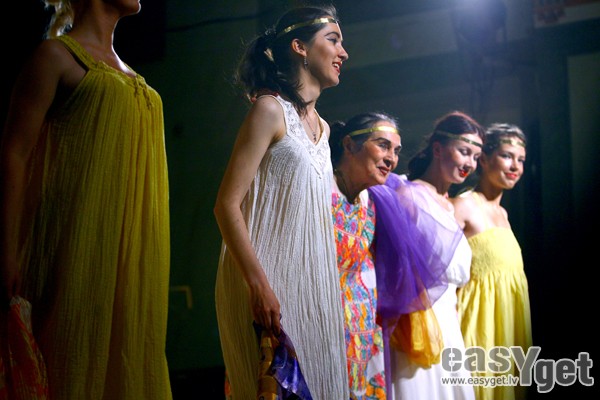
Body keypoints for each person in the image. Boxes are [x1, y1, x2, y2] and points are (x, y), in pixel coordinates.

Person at [0, 1, 171, 399]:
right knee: (67, 363)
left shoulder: (137, 81)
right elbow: (14, 154)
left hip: (130, 261)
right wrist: (6, 252)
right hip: (73, 250)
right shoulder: (57, 57)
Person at [213, 5, 350, 400]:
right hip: (266, 285)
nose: (343, 53)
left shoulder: (324, 130)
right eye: (333, 40)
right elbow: (226, 204)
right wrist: (258, 286)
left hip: (312, 286)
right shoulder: (270, 110)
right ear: (299, 47)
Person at [371, 111, 484, 400]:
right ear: (437, 149)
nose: (470, 163)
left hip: (450, 326)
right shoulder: (411, 196)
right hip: (418, 324)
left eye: (475, 156)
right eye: (464, 151)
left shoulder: (453, 207)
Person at [452, 123, 532, 400]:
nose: (515, 166)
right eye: (507, 156)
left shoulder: (503, 214)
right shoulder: (463, 205)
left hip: (508, 326)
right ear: (484, 159)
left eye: (521, 159)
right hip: (477, 325)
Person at [329, 112, 402, 399]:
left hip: (360, 331)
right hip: (322, 326)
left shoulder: (371, 200)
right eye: (383, 145)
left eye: (396, 151)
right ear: (349, 145)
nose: (391, 158)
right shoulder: (319, 189)